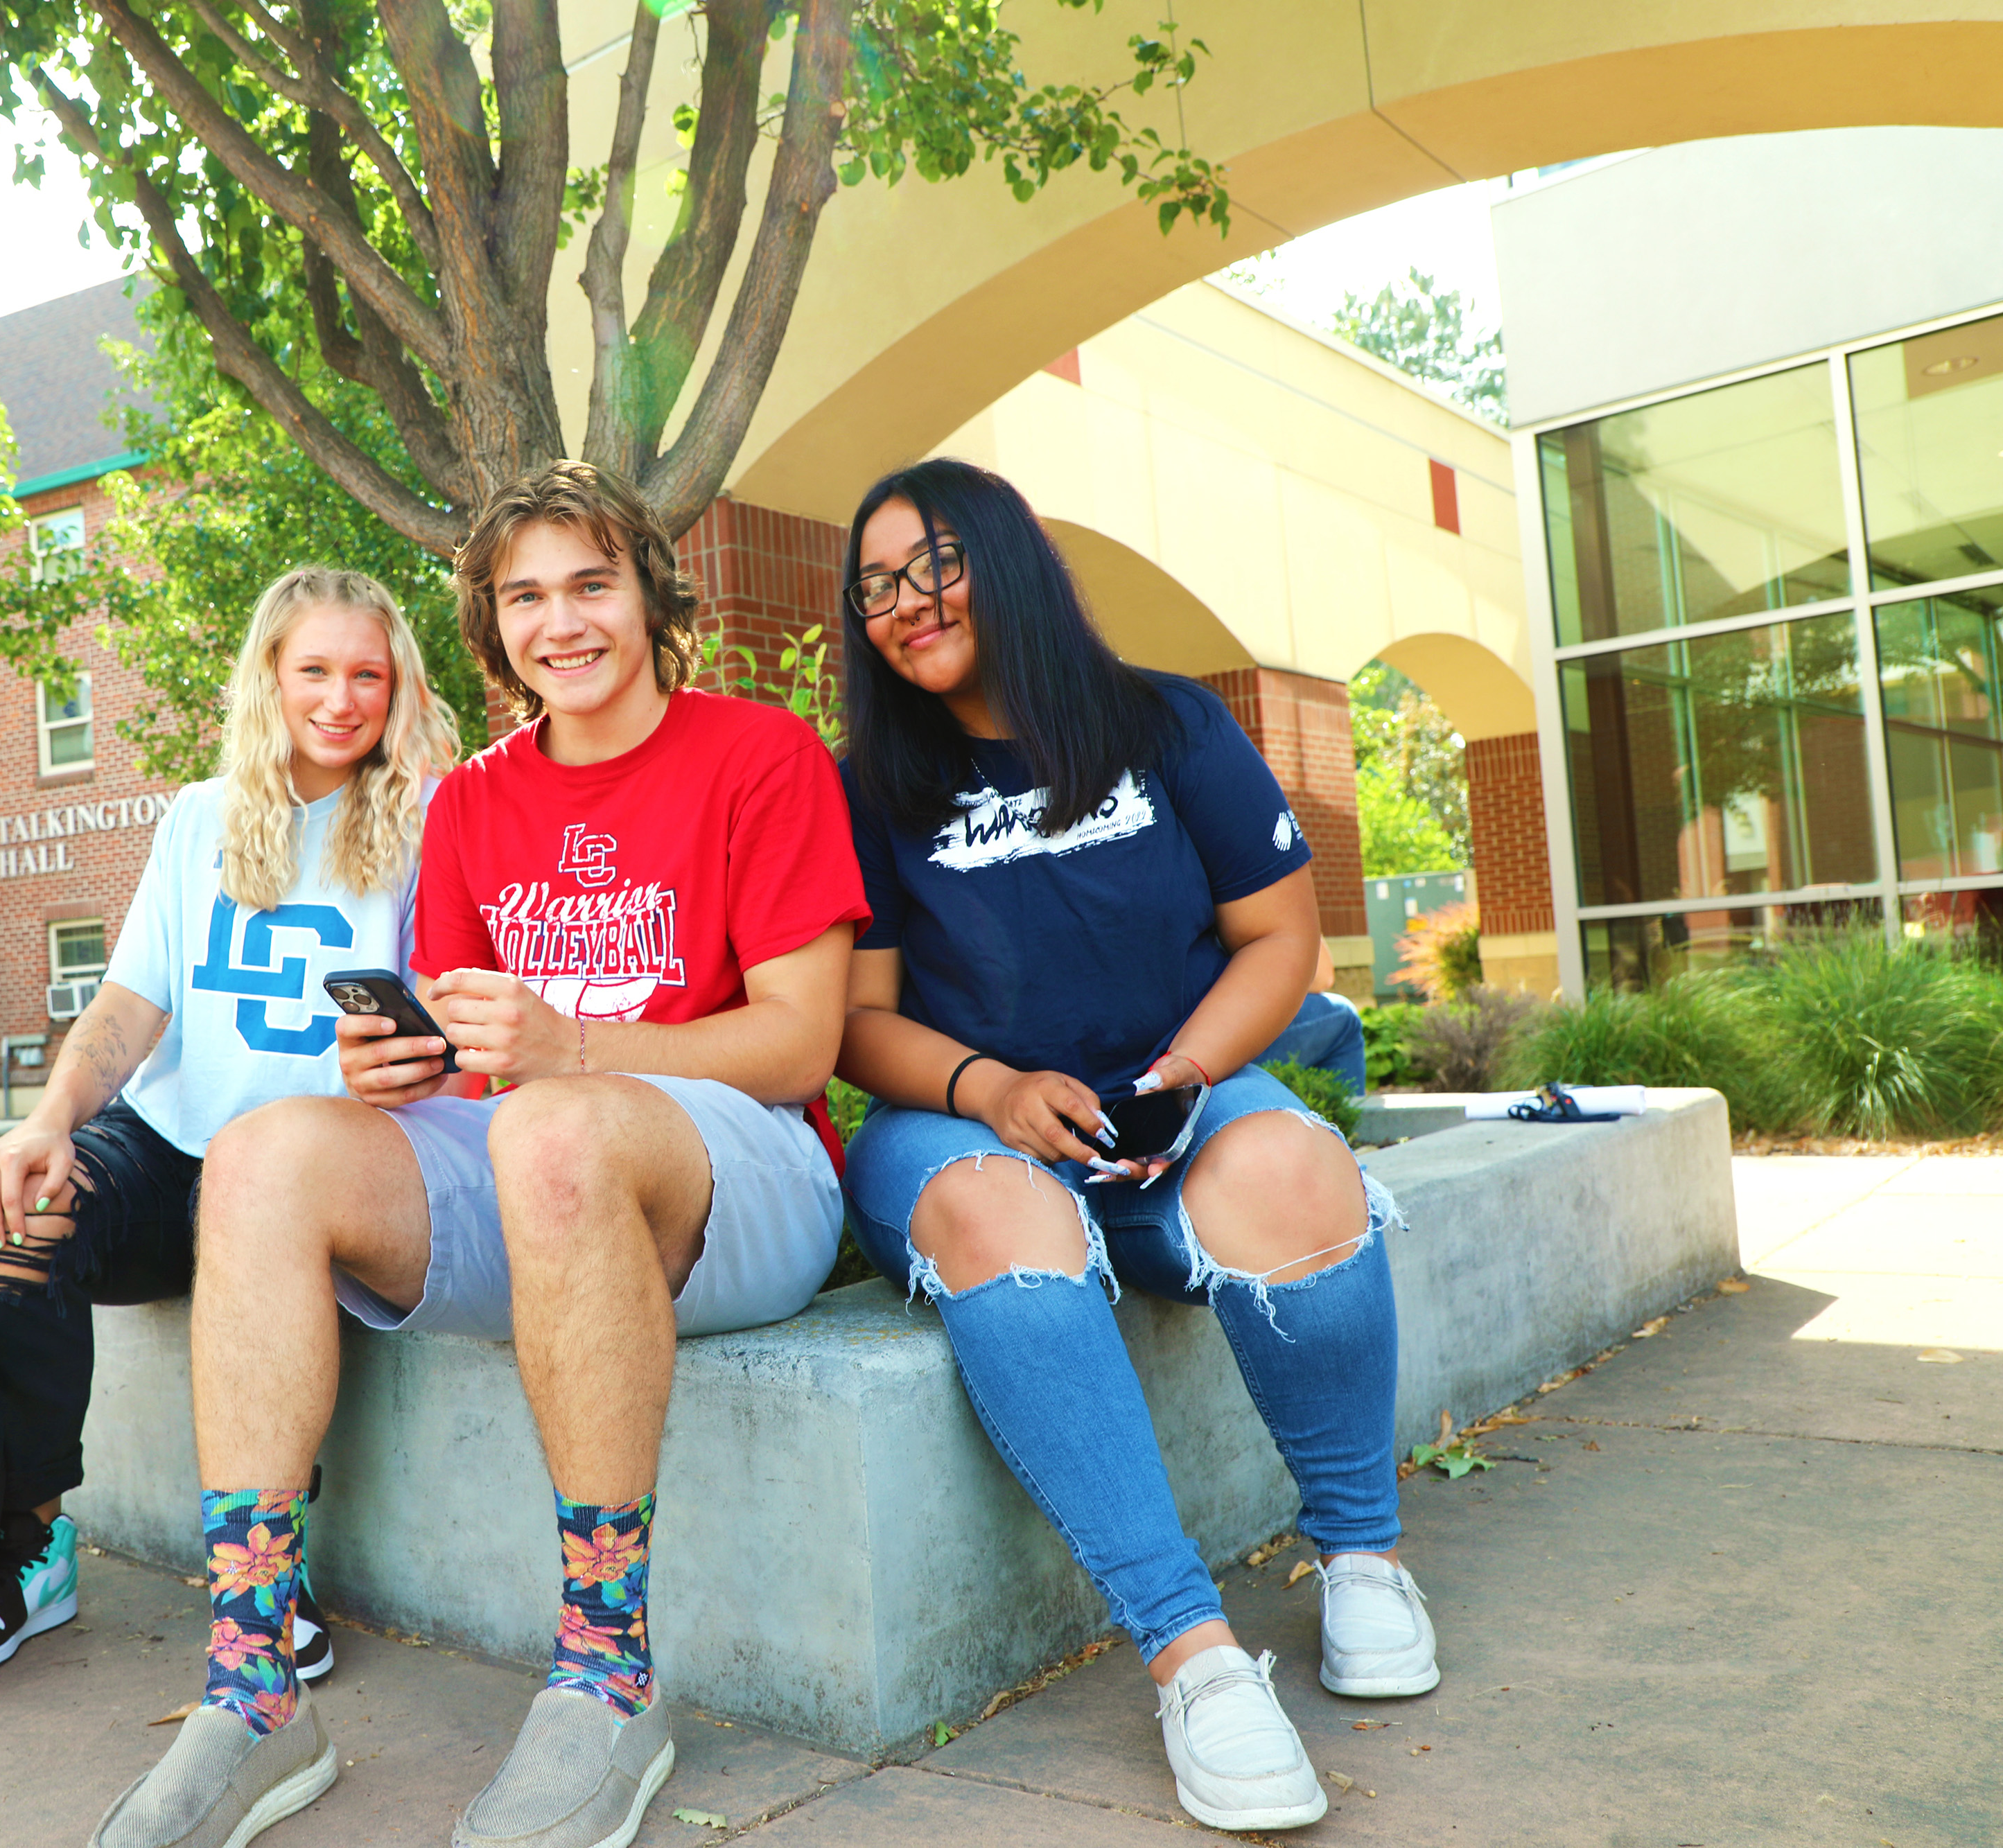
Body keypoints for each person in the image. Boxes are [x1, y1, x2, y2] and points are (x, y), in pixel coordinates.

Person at [90, 462, 866, 1848]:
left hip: (738, 1175)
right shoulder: (472, 803)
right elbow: (469, 1059)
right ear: (489, 625)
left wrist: (572, 1046)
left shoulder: (758, 756)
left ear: (648, 592)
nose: (559, 621)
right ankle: (257, 1683)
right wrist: (390, 1067)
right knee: (265, 1153)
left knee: (554, 1120)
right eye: (523, 596)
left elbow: (801, 1044)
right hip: (543, 1165)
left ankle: (605, 1671)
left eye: (590, 584)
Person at [828, 459, 1433, 1835]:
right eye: (872, 586)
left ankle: (1359, 1554)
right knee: (996, 1212)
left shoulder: (1164, 724)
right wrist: (984, 1084)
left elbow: (1281, 937)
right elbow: (855, 1027)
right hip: (960, 1118)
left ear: (1007, 557)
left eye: (932, 563)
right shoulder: (863, 785)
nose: (903, 603)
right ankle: (1191, 1654)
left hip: (1168, 1096)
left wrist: (1187, 1073)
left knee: (1292, 1163)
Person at [0, 565, 458, 1681]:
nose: (340, 696)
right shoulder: (197, 818)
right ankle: (31, 1540)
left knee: (278, 1203)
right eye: (313, 669)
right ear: (269, 678)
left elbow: (443, 1033)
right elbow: (131, 1005)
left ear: (399, 686)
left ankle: (270, 1571)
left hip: (307, 1168)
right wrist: (48, 1123)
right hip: (168, 1146)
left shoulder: (431, 826)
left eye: (367, 672)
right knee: (13, 1215)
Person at [1261, 942, 1369, 1095]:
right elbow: (1321, 977)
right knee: (1344, 1019)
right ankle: (1338, 1115)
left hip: (1223, 1034)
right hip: (1233, 1038)